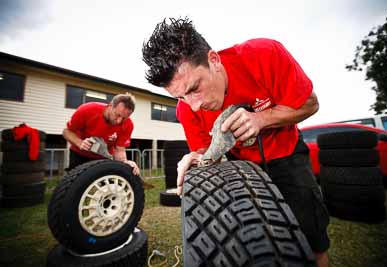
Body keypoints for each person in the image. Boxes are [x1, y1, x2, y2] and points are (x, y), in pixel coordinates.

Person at [142, 17, 330, 266]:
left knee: (311, 237)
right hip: (241, 168)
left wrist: (262, 119)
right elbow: (206, 151)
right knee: (249, 241)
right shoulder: (186, 110)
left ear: (214, 60)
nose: (194, 105)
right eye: (181, 97)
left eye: (194, 88)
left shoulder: (263, 55)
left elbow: (310, 103)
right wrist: (196, 158)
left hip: (287, 156)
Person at [63, 93, 140, 175]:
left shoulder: (128, 125)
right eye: (117, 115)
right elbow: (67, 132)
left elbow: (119, 150)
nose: (119, 121)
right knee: (75, 182)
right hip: (80, 153)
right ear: (110, 106)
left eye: (124, 118)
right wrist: (80, 143)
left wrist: (125, 162)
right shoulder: (87, 109)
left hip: (103, 157)